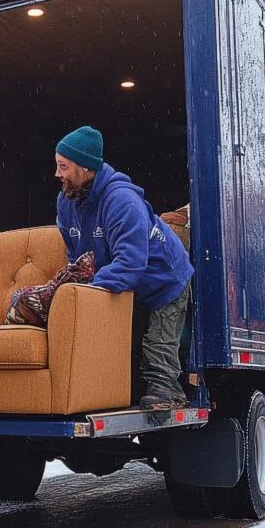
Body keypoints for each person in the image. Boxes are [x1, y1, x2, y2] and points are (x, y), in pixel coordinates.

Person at [54, 126, 194, 410]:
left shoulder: (122, 201)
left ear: (86, 168)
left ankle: (169, 390)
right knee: (120, 348)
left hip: (164, 279)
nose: (58, 174)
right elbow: (76, 259)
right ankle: (121, 391)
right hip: (126, 282)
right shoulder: (66, 202)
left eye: (64, 166)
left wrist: (87, 290)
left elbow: (130, 264)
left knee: (156, 349)